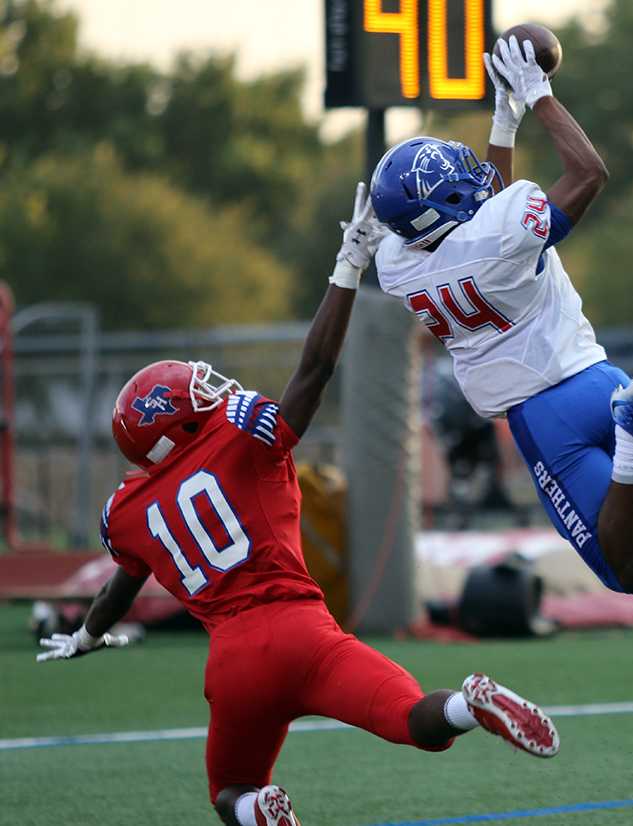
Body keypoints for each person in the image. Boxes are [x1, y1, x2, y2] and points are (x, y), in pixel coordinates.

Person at [36, 183, 560, 826]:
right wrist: (348, 265)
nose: (210, 391)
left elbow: (121, 588)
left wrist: (88, 636)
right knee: (416, 720)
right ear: (177, 423)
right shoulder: (236, 435)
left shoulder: (127, 511)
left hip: (233, 661)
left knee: (230, 792)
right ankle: (467, 706)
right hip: (304, 632)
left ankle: (262, 810)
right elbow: (313, 372)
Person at [369, 37, 633, 778]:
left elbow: (483, 211)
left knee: (627, 575)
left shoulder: (399, 263)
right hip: (596, 378)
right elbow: (587, 173)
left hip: (543, 420)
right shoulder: (497, 233)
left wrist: (502, 121)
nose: (471, 177)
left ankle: (631, 441)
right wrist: (534, 97)